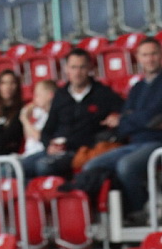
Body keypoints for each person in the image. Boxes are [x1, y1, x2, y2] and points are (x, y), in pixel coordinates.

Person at [60, 38, 162, 224]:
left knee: (126, 166)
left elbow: (149, 114)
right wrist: (141, 120)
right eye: (145, 55)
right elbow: (130, 120)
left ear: (161, 55)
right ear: (138, 58)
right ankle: (113, 213)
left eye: (153, 54)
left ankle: (140, 210)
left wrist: (132, 119)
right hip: (136, 143)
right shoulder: (138, 87)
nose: (150, 59)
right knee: (92, 165)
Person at [21, 48, 123, 181]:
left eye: (82, 67)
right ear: (66, 69)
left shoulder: (103, 93)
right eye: (73, 67)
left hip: (83, 151)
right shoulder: (60, 95)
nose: (77, 72)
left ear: (90, 68)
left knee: (43, 166)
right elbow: (47, 130)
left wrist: (118, 117)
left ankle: (62, 193)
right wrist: (49, 146)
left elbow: (127, 110)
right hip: (56, 151)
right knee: (19, 167)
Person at [20, 79, 57, 158]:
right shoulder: (40, 114)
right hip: (28, 154)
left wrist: (25, 120)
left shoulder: (54, 116)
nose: (35, 98)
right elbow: (28, 137)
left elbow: (39, 137)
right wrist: (26, 116)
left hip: (42, 155)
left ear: (50, 95)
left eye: (38, 95)